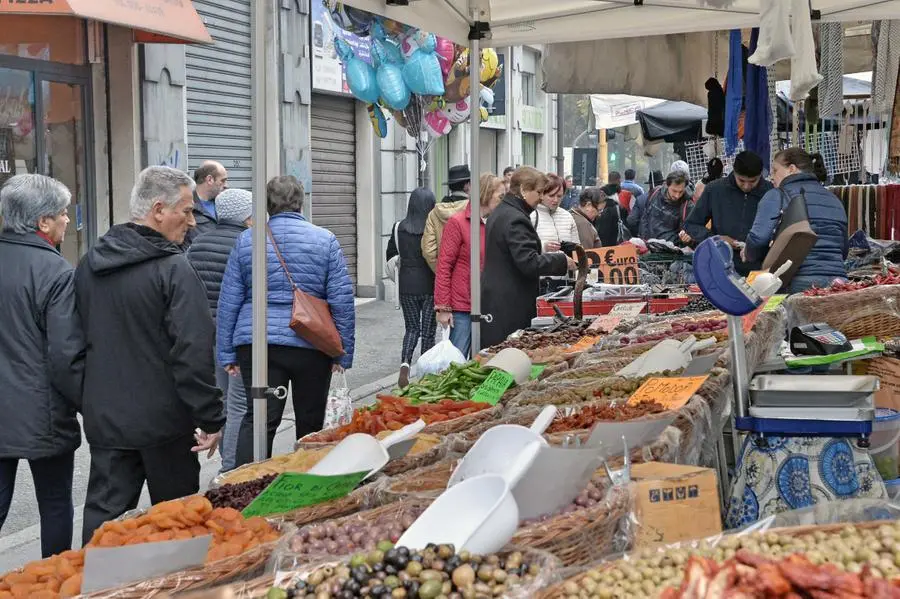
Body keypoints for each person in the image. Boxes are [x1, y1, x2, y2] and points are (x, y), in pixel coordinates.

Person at [77, 166, 224, 543]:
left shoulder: (88, 266)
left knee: (102, 536)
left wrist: (89, 401)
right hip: (166, 424)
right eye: (187, 211)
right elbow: (193, 351)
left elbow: (67, 349)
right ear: (159, 210)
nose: (192, 222)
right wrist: (210, 416)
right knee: (178, 528)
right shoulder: (173, 268)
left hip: (108, 421)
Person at [218, 176, 355, 467]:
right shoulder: (325, 239)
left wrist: (227, 352)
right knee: (310, 419)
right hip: (311, 343)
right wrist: (343, 352)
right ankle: (307, 487)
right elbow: (342, 300)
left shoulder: (247, 240)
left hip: (257, 344)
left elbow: (229, 300)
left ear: (267, 205)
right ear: (301, 201)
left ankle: (247, 487)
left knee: (258, 421)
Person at [0, 175, 84, 558]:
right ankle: (51, 580)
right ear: (43, 223)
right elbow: (66, 353)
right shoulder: (55, 272)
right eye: (63, 213)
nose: (69, 220)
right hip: (42, 410)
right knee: (54, 504)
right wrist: (88, 404)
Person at [186, 188, 253, 472]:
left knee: (221, 401)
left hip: (205, 336)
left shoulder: (197, 245)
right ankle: (232, 466)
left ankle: (227, 461)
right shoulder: (247, 245)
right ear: (246, 216)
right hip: (236, 336)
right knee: (239, 404)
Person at [481, 167, 575, 347]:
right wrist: (561, 260)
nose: (541, 197)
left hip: (499, 298)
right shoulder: (516, 218)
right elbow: (529, 262)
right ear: (523, 190)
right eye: (538, 192)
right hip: (509, 303)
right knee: (507, 355)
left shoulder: (502, 211)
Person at [743, 148, 848, 293]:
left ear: (791, 169)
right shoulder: (834, 200)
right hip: (839, 283)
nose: (771, 177)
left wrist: (748, 253)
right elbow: (843, 249)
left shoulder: (776, 195)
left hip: (796, 282)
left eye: (775, 170)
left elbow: (758, 239)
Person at [434, 174, 505, 357]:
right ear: (487, 194)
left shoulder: (495, 223)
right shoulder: (457, 223)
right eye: (500, 196)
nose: (502, 201)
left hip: (487, 305)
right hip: (462, 307)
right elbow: (444, 266)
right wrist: (443, 307)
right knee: (456, 362)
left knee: (483, 360)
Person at [679, 151, 773, 275]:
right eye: (741, 180)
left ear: (761, 175)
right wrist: (717, 239)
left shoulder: (770, 192)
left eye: (752, 181)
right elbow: (690, 225)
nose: (746, 186)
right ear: (734, 172)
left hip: (760, 270)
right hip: (721, 266)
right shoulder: (714, 189)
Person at [386, 188, 438, 387]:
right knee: (428, 331)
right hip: (430, 285)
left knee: (411, 328)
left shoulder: (398, 227)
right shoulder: (433, 228)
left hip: (406, 285)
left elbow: (390, 254)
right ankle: (424, 373)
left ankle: (405, 365)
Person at [530, 173, 579, 294]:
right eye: (551, 195)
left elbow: (577, 248)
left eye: (559, 196)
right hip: (539, 283)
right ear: (541, 194)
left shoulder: (567, 216)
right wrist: (543, 246)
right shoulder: (530, 216)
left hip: (566, 282)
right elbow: (523, 250)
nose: (556, 200)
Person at [422, 164, 470, 270]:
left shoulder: (434, 213)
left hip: (444, 274)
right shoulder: (474, 210)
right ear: (466, 185)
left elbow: (428, 250)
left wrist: (442, 271)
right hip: (469, 275)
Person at [635, 171, 690, 243]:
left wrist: (688, 238)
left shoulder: (687, 205)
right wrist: (643, 238)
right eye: (674, 191)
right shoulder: (655, 192)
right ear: (667, 185)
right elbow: (645, 217)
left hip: (669, 250)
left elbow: (689, 234)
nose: (677, 195)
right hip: (648, 245)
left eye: (681, 192)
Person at [184, 160, 229, 247]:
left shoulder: (225, 203)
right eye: (223, 181)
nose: (226, 185)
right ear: (209, 179)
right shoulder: (187, 206)